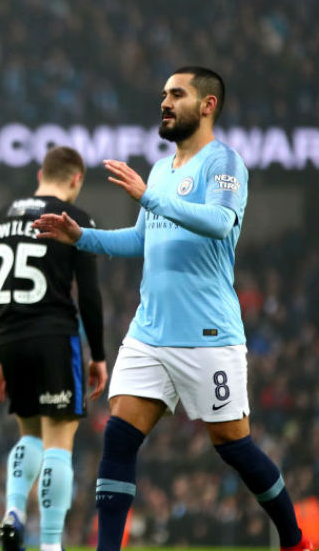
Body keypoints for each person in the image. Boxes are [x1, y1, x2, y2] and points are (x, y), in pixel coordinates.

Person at [33, 66, 313, 551]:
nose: (164, 102)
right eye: (163, 93)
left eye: (177, 94)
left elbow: (221, 223)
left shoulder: (223, 162)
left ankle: (294, 539)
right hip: (149, 334)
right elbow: (141, 240)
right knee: (119, 437)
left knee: (234, 446)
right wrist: (82, 238)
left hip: (208, 334)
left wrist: (151, 196)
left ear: (207, 105)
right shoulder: (163, 170)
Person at [0, 145, 108, 551]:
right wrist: (99, 356)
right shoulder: (76, 219)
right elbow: (88, 294)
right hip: (54, 335)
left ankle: (14, 509)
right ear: (76, 180)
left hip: (10, 338)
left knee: (30, 434)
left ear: (41, 173)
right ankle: (51, 544)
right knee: (59, 441)